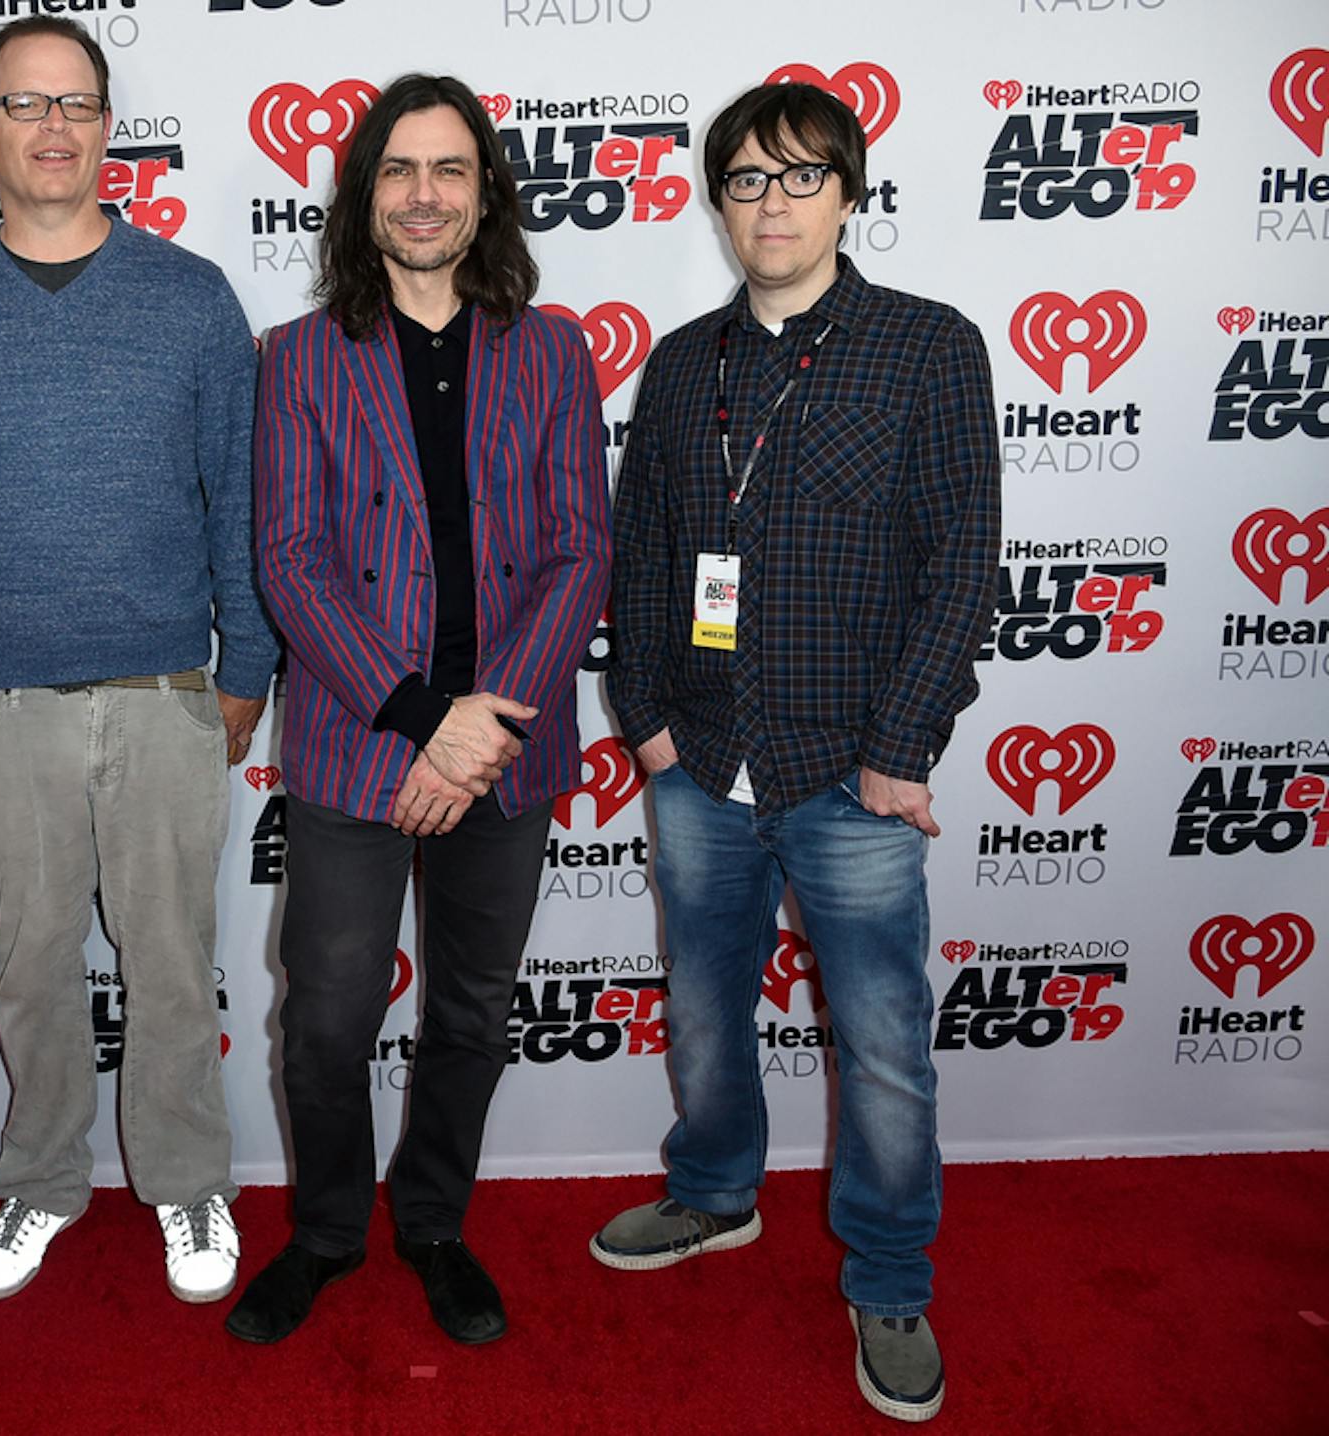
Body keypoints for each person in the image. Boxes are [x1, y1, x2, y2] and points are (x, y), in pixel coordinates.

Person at [595, 81, 999, 1422]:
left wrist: (902, 744)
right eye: (747, 180)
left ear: (849, 193)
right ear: (719, 203)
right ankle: (716, 1193)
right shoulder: (683, 364)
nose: (772, 203)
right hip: (702, 763)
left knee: (880, 1042)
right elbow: (642, 554)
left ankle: (888, 1277)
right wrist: (647, 717)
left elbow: (963, 565)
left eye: (801, 176)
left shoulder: (928, 346)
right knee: (706, 1009)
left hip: (854, 773)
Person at [0, 16, 277, 1307]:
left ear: (108, 128)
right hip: (3, 706)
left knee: (172, 967)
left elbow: (240, 501)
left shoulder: (193, 296)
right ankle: (41, 1182)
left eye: (77, 104)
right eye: (25, 103)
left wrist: (248, 666)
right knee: (29, 972)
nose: (53, 126)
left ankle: (188, 1180)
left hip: (164, 697)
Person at [231, 74, 610, 1347]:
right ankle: (329, 1230)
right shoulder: (298, 358)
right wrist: (418, 715)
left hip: (506, 751)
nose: (425, 194)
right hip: (360, 745)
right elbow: (290, 559)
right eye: (398, 169)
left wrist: (483, 732)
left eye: (450, 168)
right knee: (326, 1015)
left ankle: (436, 1222)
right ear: (364, 193)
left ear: (486, 191)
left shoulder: (552, 351)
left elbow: (581, 551)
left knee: (471, 1008)